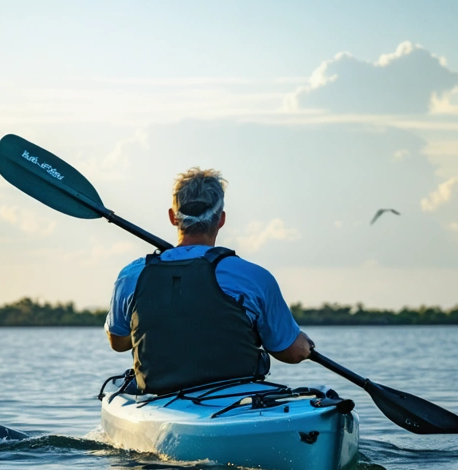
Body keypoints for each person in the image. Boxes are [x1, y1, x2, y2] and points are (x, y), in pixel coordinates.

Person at [105, 167, 315, 394]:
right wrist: (305, 345)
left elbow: (118, 342)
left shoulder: (132, 276)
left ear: (172, 217)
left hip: (159, 402)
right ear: (221, 219)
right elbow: (291, 352)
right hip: (237, 404)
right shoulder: (254, 278)